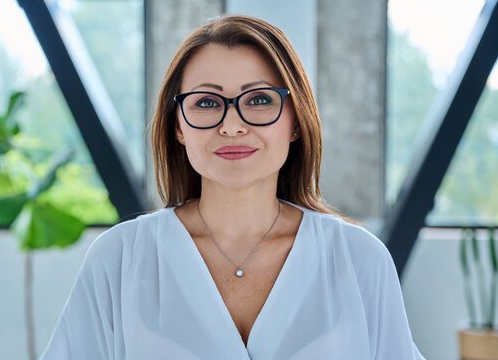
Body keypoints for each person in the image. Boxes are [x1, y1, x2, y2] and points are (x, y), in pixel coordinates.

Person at [39, 14, 425, 360]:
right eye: (206, 103)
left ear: (294, 121)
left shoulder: (359, 260)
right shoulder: (119, 259)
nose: (232, 125)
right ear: (178, 126)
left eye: (258, 99)